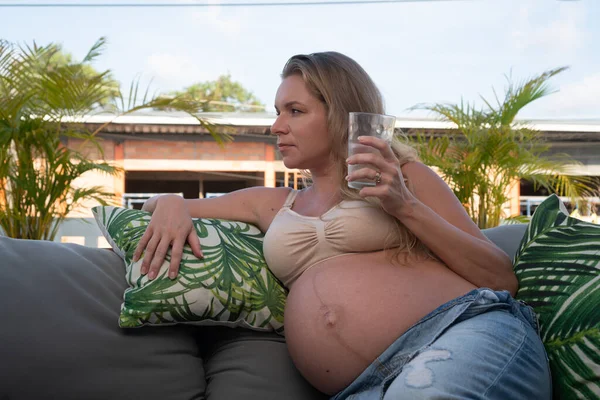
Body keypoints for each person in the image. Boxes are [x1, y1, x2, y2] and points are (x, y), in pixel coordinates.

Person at [134, 52, 552, 399]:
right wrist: (172, 202)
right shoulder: (273, 202)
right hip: (362, 386)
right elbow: (161, 204)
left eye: (295, 111)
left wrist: (403, 206)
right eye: (277, 112)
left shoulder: (407, 177)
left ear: (342, 115)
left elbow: (500, 277)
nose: (276, 126)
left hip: (458, 331)